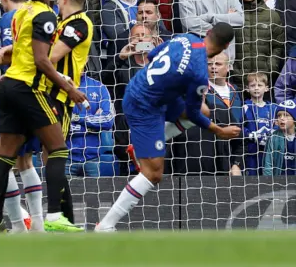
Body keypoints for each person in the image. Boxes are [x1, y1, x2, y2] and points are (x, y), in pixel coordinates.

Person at [0, 0, 90, 233]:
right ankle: (56, 216)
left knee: (7, 156)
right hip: (40, 91)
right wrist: (70, 89)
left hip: (13, 85)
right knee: (56, 151)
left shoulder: (23, 13)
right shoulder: (46, 16)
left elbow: (18, 51)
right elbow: (44, 59)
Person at [95, 23, 241, 232]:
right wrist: (219, 131)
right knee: (153, 174)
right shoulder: (199, 74)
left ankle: (145, 145)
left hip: (144, 89)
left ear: (207, 33)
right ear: (226, 45)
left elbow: (153, 55)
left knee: (205, 111)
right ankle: (105, 226)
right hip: (143, 107)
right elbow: (191, 114)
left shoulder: (186, 38)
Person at [232, 0, 284, 86]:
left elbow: (278, 46)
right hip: (237, 82)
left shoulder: (272, 16)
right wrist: (235, 72)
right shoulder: (230, 15)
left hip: (263, 83)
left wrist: (269, 69)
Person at [68, 72, 115, 177]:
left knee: (94, 192)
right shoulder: (58, 86)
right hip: (66, 158)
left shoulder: (99, 87)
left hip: (92, 158)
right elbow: (59, 122)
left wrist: (76, 118)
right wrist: (93, 122)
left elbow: (108, 120)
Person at [243, 72, 276, 175]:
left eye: (259, 85)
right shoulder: (244, 107)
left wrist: (273, 133)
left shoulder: (273, 107)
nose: (256, 88)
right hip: (251, 152)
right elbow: (239, 126)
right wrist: (251, 135)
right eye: (252, 85)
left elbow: (278, 124)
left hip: (270, 152)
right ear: (247, 88)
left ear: (266, 88)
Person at [263, 101, 296, 176]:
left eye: (286, 115)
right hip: (279, 182)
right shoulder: (273, 137)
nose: (281, 118)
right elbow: (268, 164)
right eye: (279, 115)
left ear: (294, 119)